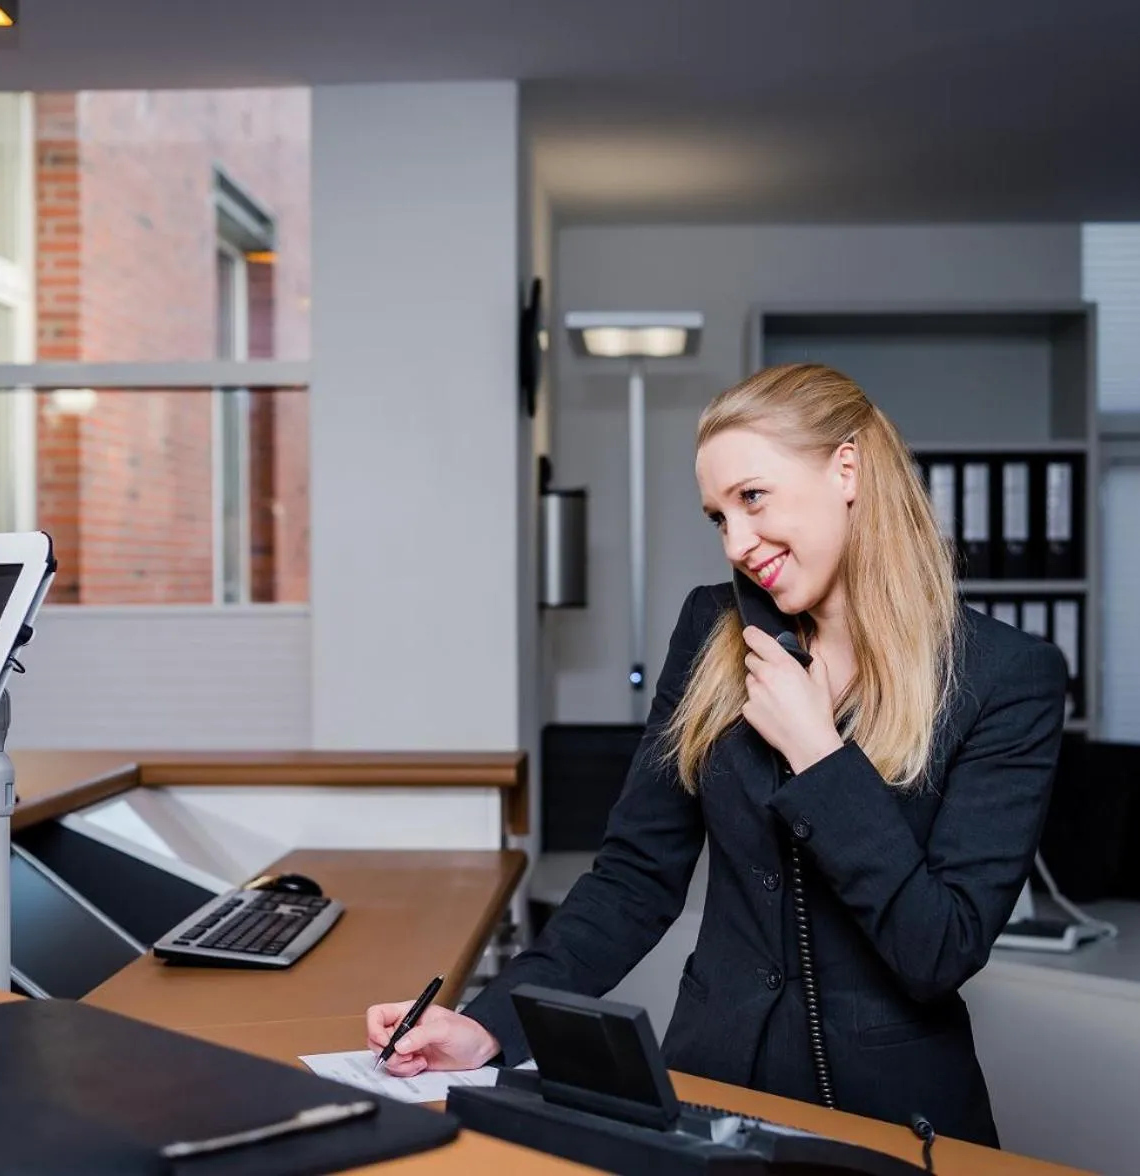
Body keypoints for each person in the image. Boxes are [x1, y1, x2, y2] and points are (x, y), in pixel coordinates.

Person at [365, 362, 1068, 1146]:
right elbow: (635, 876)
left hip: (896, 1119)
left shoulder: (1005, 677)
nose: (737, 542)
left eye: (753, 497)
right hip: (710, 1088)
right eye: (717, 517)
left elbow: (939, 950)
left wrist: (819, 754)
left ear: (847, 467)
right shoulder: (712, 633)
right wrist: (491, 1025)